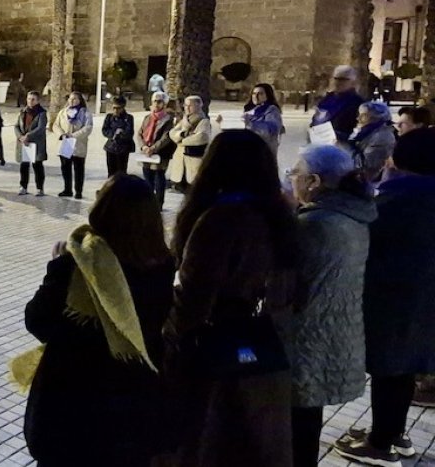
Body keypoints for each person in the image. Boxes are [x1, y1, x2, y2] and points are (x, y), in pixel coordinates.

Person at [162, 130, 297, 467]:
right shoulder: (278, 215)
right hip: (261, 345)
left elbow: (195, 293)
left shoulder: (219, 219)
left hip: (213, 350)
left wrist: (169, 337)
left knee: (207, 442)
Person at [23, 175, 176, 466]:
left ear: (104, 210)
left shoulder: (78, 262)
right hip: (133, 406)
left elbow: (38, 321)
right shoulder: (162, 264)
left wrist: (57, 266)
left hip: (73, 408)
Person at [334, 128, 435, 465]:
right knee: (404, 369)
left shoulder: (399, 197)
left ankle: (380, 444)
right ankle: (394, 432)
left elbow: (366, 235)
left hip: (394, 297)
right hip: (422, 298)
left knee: (389, 368)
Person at [286, 145, 375, 467]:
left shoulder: (314, 225)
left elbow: (285, 282)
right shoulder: (356, 214)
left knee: (298, 424)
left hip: (306, 336)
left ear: (313, 181)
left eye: (294, 173)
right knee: (308, 417)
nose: (290, 178)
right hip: (337, 333)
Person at [137, 91, 177, 208]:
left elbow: (166, 137)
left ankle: (159, 203)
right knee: (147, 177)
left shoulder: (168, 119)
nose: (156, 104)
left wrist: (153, 148)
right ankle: (148, 201)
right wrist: (144, 146)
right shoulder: (147, 117)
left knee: (159, 177)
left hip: (160, 153)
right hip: (146, 153)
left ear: (164, 104)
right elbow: (140, 133)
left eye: (159, 101)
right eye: (154, 101)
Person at [52, 91, 93, 199]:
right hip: (65, 143)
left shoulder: (85, 113)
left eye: (75, 99)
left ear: (80, 100)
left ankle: (78, 191)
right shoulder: (63, 112)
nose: (72, 101)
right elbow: (56, 125)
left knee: (78, 169)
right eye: (70, 99)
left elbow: (87, 128)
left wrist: (73, 135)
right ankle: (67, 189)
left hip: (78, 144)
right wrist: (61, 134)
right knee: (66, 168)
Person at [167, 95, 212, 192]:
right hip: (180, 159)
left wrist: (182, 141)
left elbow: (201, 137)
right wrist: (181, 135)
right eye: (186, 105)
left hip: (193, 159)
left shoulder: (203, 120)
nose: (187, 108)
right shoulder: (184, 119)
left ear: (198, 106)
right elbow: (172, 133)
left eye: (190, 106)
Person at [311, 65, 364, 143]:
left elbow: (359, 129)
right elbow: (317, 119)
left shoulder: (358, 103)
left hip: (343, 145)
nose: (339, 82)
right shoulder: (327, 99)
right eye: (336, 79)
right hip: (321, 143)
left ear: (352, 82)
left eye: (343, 80)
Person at [349, 101, 396, 184]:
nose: (358, 118)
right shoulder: (363, 132)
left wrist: (344, 146)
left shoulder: (382, 137)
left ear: (376, 118)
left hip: (369, 183)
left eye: (363, 116)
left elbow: (365, 164)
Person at [15, 90, 48, 196]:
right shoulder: (23, 111)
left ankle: (39, 188)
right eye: (29, 99)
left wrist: (28, 136)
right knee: (24, 166)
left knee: (37, 166)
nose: (30, 101)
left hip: (36, 143)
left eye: (33, 99)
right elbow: (16, 126)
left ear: (38, 101)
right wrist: (20, 136)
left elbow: (41, 128)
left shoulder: (41, 113)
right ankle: (23, 187)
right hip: (23, 143)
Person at [241, 83, 286, 155]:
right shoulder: (249, 111)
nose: (256, 96)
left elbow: (270, 130)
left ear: (267, 95)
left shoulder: (272, 110)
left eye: (260, 94)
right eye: (254, 93)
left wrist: (251, 124)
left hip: (264, 153)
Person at [102, 96, 136, 177]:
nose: (115, 110)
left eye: (118, 108)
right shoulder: (109, 117)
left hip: (123, 148)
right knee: (111, 172)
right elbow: (105, 130)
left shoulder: (128, 118)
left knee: (121, 172)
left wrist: (121, 134)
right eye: (114, 108)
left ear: (123, 107)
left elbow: (129, 132)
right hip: (111, 147)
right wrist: (114, 134)